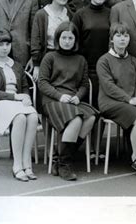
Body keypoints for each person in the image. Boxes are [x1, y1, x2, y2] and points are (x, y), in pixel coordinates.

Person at [97, 22, 136, 178]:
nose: (122, 39)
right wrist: (129, 99)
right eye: (118, 35)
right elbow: (108, 86)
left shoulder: (133, 60)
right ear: (112, 39)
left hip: (133, 100)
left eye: (125, 36)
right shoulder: (104, 60)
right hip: (111, 102)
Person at [38, 22, 97, 181]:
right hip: (52, 100)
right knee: (76, 119)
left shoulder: (80, 59)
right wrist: (59, 96)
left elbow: (84, 84)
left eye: (70, 38)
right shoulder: (49, 57)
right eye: (64, 37)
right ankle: (65, 164)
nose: (67, 41)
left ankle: (60, 157)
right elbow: (42, 82)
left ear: (75, 40)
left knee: (91, 117)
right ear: (58, 38)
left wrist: (78, 96)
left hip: (72, 100)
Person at [0, 30, 38, 182]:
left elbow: (24, 87)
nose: (4, 48)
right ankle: (17, 165)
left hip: (16, 103)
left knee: (34, 116)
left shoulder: (16, 65)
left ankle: (26, 162)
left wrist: (27, 98)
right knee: (20, 117)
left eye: (7, 44)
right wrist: (16, 97)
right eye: (0, 44)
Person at [72, 0, 111, 108]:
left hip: (106, 67)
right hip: (87, 68)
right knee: (88, 107)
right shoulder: (80, 15)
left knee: (103, 107)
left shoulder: (111, 13)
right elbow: (74, 42)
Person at [31, 0, 72, 81]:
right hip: (47, 58)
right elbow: (36, 41)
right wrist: (37, 64)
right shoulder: (42, 15)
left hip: (67, 59)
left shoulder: (69, 15)